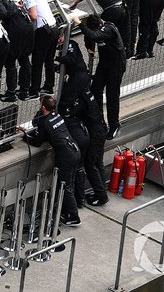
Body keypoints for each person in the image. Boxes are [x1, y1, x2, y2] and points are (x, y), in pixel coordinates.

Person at [55, 31, 109, 206]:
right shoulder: (87, 93)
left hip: (94, 130)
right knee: (96, 162)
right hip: (97, 128)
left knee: (91, 164)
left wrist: (57, 61)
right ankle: (102, 190)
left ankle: (101, 195)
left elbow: (72, 107)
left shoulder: (83, 97)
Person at [23, 95, 82, 226]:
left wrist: (24, 136)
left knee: (64, 186)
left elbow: (37, 142)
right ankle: (66, 210)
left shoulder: (45, 123)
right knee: (69, 184)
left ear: (43, 107)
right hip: (75, 150)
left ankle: (74, 216)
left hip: (66, 156)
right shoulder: (57, 115)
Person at [74, 14, 125, 140]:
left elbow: (94, 35)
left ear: (100, 24)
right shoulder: (96, 29)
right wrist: (89, 48)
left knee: (112, 95)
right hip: (104, 63)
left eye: (96, 30)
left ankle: (114, 125)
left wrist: (80, 24)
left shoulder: (109, 29)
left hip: (116, 65)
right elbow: (89, 35)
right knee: (95, 89)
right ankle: (100, 120)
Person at [12, 0, 58, 99]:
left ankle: (34, 91)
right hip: (53, 28)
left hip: (43, 31)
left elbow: (33, 16)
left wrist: (23, 11)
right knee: (49, 59)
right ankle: (49, 86)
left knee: (37, 61)